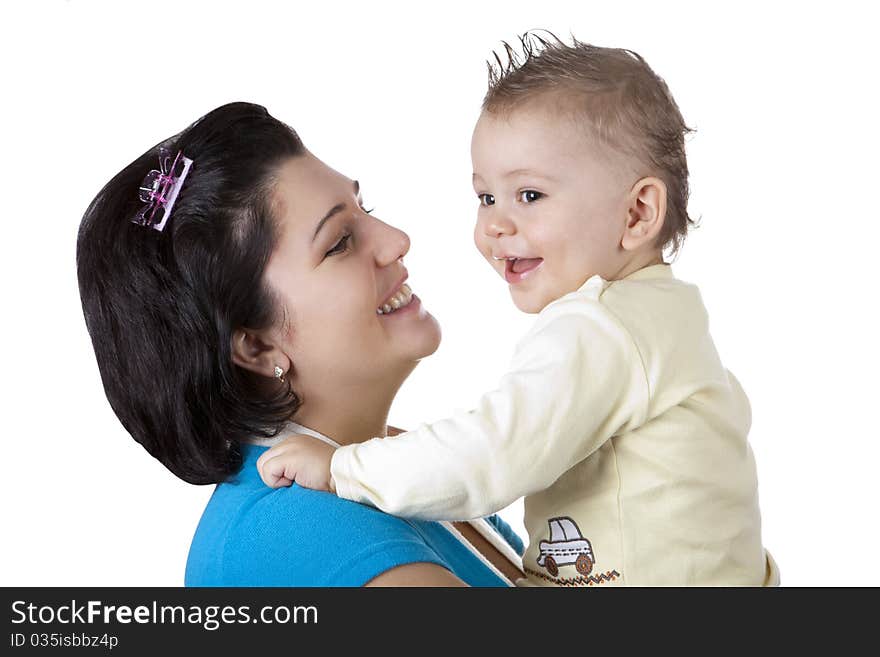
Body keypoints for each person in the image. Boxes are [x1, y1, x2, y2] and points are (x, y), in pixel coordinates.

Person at [257, 35, 780, 586]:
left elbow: (489, 454)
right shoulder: (663, 315)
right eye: (485, 197)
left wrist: (343, 469)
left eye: (529, 195)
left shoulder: (599, 328)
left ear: (638, 213)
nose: (495, 226)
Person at [76, 101, 523, 586]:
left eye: (364, 209)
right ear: (255, 347)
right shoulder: (291, 535)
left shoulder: (401, 463)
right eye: (338, 242)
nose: (396, 240)